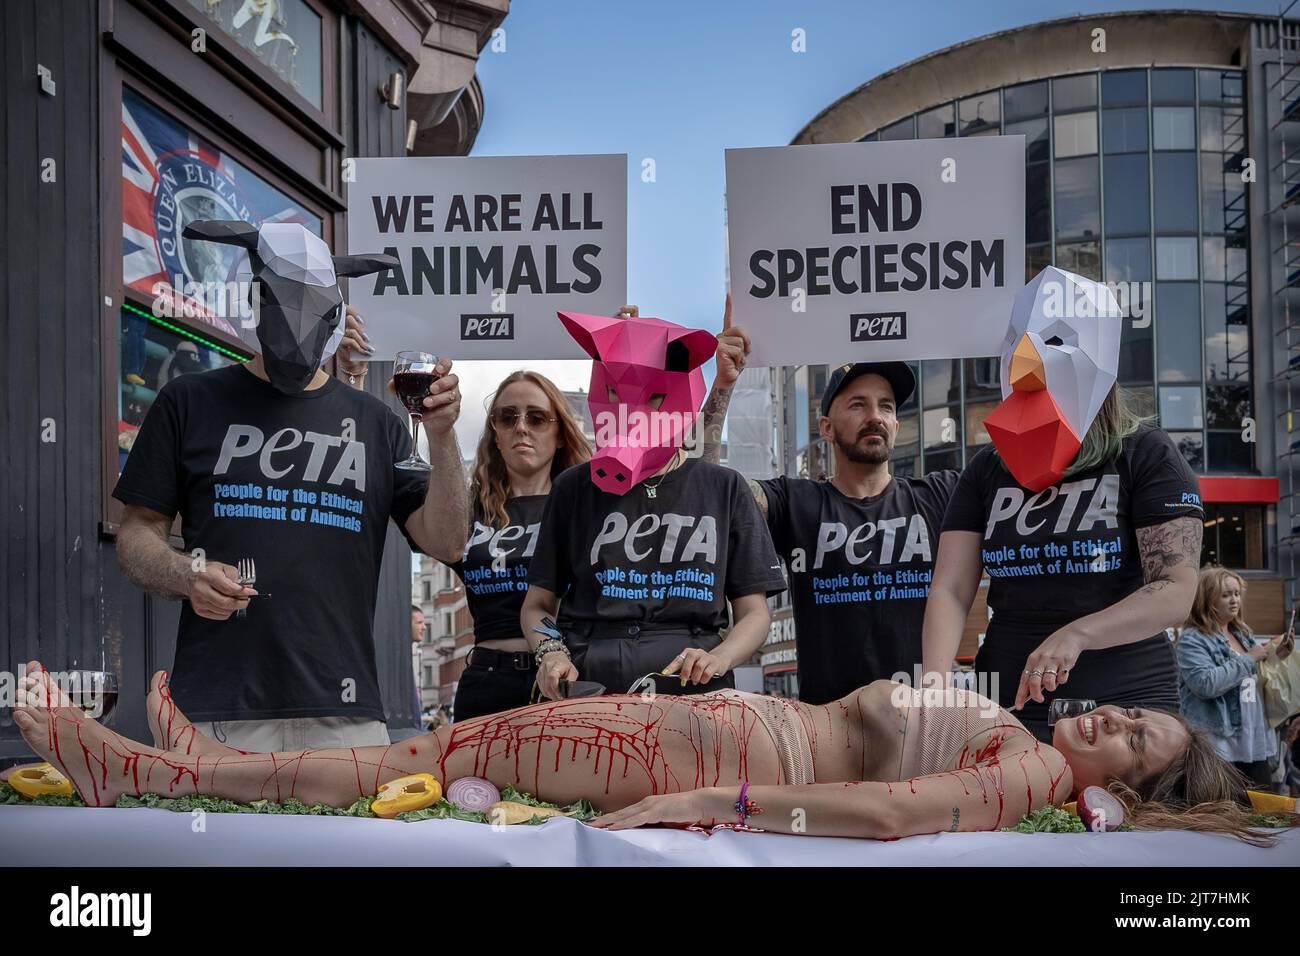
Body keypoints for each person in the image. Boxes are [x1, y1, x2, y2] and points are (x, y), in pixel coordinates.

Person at [16, 663, 1286, 844]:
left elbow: (896, 811)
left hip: (697, 745)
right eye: (1129, 710)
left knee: (416, 752)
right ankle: (198, 760)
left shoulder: (1023, 773)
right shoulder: (1018, 723)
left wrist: (709, 793)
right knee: (427, 746)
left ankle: (166, 774)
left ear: (1127, 786)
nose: (1112, 721)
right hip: (696, 718)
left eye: (1135, 738)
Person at [112, 220, 469, 751]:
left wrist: (442, 436)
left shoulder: (378, 423)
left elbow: (448, 541)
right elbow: (136, 534)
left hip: (346, 718)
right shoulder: (188, 402)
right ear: (256, 301)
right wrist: (188, 574)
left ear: (339, 313)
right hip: (216, 713)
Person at [923, 268, 1204, 742]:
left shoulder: (1146, 453)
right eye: (1015, 340)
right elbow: (951, 588)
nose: (1026, 359)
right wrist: (933, 687)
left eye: (1054, 340)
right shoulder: (986, 470)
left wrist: (1077, 635)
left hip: (1129, 713)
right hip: (1010, 709)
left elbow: (1175, 589)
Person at [701, 296, 959, 704]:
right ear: (826, 427)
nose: (874, 415)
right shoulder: (794, 501)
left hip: (923, 724)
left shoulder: (941, 496)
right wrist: (723, 387)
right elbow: (707, 485)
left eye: (886, 406)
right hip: (828, 733)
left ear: (896, 424)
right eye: (858, 404)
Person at [521, 307, 786, 699]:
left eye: (656, 399)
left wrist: (721, 657)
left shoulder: (725, 488)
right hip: (591, 688)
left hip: (695, 690)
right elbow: (538, 604)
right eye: (613, 393)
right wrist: (551, 653)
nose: (632, 415)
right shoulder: (572, 489)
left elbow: (754, 612)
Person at [444, 369, 592, 720]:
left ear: (560, 434)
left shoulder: (586, 506)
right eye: (507, 417)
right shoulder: (469, 509)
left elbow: (686, 488)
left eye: (537, 417)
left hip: (565, 677)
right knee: (472, 779)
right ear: (495, 434)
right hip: (486, 679)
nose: (521, 427)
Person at [1176, 568, 1295, 787]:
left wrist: (1276, 657)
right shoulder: (1192, 640)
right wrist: (1249, 658)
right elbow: (1205, 684)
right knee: (1224, 812)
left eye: (1237, 594)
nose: (1234, 600)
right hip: (1218, 741)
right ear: (1207, 598)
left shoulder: (1242, 633)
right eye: (1226, 595)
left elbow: (1252, 677)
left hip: (1253, 738)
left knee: (1263, 809)